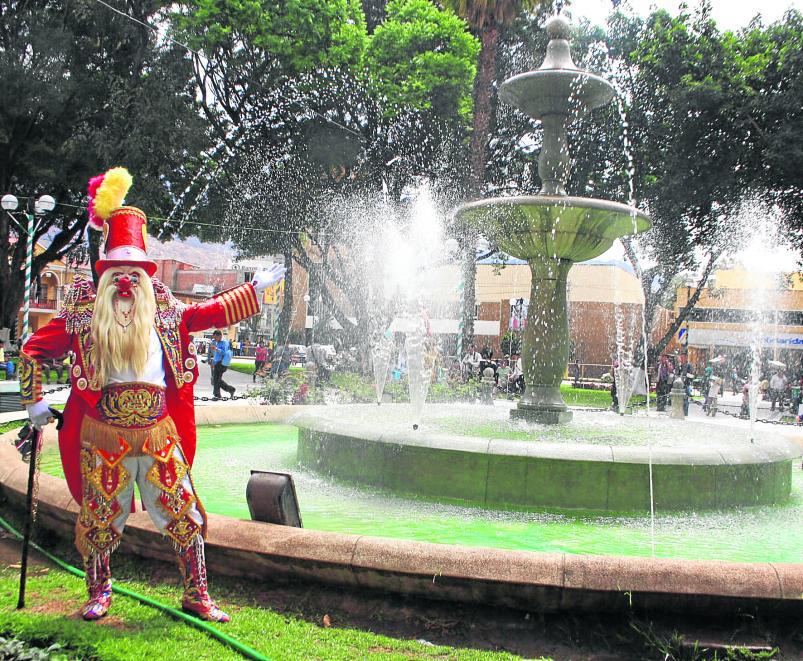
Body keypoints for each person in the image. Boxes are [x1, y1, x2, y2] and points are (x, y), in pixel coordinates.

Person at [19, 167, 285, 622]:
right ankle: (99, 591)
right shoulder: (83, 313)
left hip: (159, 434)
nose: (127, 282)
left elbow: (207, 312)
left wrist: (252, 291)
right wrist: (34, 402)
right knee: (101, 520)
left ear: (145, 274)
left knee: (185, 515)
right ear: (106, 274)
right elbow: (31, 352)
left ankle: (196, 593)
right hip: (103, 435)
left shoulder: (164, 309)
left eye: (135, 271)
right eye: (118, 271)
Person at [211, 330, 235, 399]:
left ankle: (218, 394)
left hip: (222, 363)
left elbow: (224, 353)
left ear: (220, 336)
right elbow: (216, 355)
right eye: (214, 338)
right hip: (217, 362)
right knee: (217, 379)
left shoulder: (224, 342)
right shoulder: (217, 342)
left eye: (216, 338)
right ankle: (229, 390)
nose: (215, 339)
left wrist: (216, 349)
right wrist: (213, 361)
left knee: (216, 379)